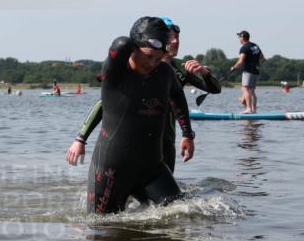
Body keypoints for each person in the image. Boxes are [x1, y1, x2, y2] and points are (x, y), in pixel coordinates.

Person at [67, 16, 214, 173]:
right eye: (171, 36)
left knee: (168, 192)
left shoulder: (179, 70)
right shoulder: (130, 69)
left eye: (177, 37)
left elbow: (211, 89)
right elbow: (104, 104)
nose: (175, 41)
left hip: (164, 139)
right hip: (130, 139)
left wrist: (205, 74)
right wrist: (81, 138)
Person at [77, 17, 193, 214]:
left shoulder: (164, 72)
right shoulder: (116, 73)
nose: (153, 63)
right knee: (103, 230)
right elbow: (119, 44)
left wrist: (188, 134)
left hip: (152, 168)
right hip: (111, 171)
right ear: (133, 48)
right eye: (148, 56)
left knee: (183, 215)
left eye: (158, 58)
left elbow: (178, 98)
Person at [230, 30, 265, 113]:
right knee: (251, 90)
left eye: (239, 37)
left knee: (245, 89)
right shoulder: (255, 46)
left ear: (242, 37)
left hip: (248, 70)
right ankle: (253, 110)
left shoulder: (244, 47)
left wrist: (234, 67)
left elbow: (241, 60)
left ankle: (249, 109)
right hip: (256, 70)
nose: (239, 39)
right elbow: (262, 58)